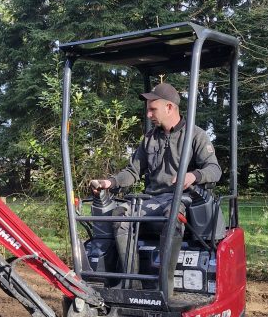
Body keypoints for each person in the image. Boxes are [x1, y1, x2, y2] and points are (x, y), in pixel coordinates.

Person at [89, 82, 221, 281]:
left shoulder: (196, 135)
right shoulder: (149, 139)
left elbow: (214, 169)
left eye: (153, 109)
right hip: (152, 201)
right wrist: (110, 182)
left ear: (169, 107)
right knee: (120, 216)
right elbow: (133, 171)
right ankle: (131, 283)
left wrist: (193, 176)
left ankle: (165, 285)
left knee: (172, 216)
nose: (148, 114)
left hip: (181, 200)